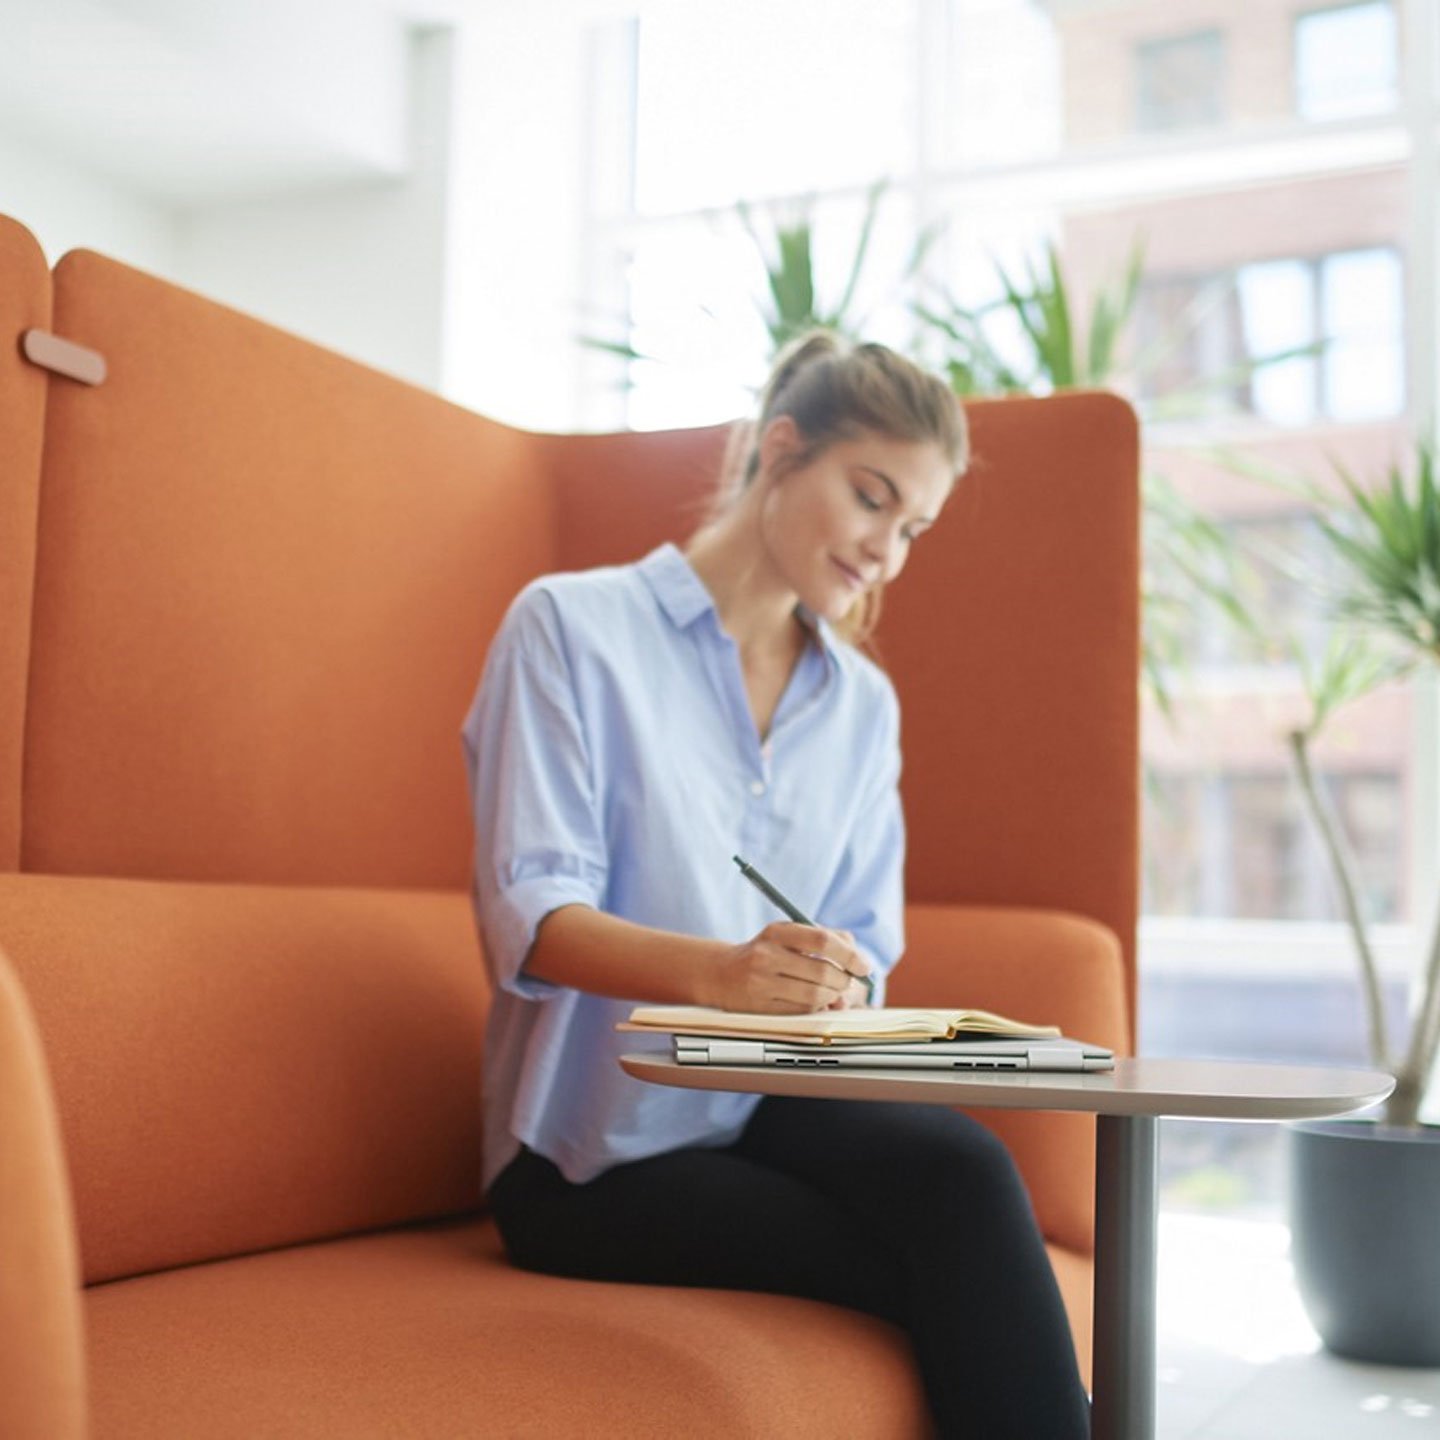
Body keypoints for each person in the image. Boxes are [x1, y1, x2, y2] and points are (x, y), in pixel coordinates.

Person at [461, 331, 1090, 1438]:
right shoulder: (568, 628)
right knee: (940, 1277)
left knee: (968, 1176)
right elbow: (535, 918)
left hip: (762, 1108)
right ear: (781, 450)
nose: (888, 551)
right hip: (588, 1161)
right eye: (871, 497)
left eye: (914, 528)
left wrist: (838, 983)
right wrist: (728, 973)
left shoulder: (861, 707)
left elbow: (865, 943)